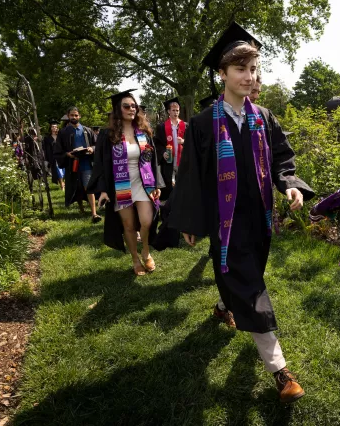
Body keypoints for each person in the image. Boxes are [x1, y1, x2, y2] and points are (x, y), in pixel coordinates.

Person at [168, 22, 314, 403]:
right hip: (225, 221)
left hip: (260, 216)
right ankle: (280, 371)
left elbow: (283, 158)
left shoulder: (263, 117)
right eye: (240, 69)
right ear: (222, 73)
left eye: (253, 69)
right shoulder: (203, 124)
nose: (249, 77)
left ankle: (221, 306)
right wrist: (191, 221)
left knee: (241, 276)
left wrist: (291, 186)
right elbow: (192, 178)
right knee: (251, 289)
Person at [90, 89, 164, 275]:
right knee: (129, 226)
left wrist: (156, 184)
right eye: (126, 106)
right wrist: (103, 190)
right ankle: (135, 259)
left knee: (147, 220)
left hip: (142, 182)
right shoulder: (108, 134)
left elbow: (152, 159)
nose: (131, 109)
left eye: (134, 106)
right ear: (118, 109)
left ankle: (145, 251)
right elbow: (99, 163)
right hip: (120, 185)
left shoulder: (144, 131)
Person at [54, 106, 101, 223]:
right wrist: (67, 154)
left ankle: (94, 213)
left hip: (86, 163)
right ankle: (81, 208)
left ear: (79, 116)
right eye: (72, 115)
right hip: (72, 164)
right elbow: (58, 150)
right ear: (68, 116)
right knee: (77, 187)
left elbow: (97, 145)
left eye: (76, 115)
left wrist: (92, 149)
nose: (74, 117)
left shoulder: (87, 130)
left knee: (88, 186)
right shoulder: (63, 132)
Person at [154, 97, 187, 201]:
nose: (176, 112)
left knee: (183, 189)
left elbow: (192, 142)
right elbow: (157, 144)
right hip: (168, 163)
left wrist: (184, 141)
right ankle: (167, 213)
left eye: (177, 110)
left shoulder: (186, 126)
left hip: (183, 163)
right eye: (173, 110)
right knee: (169, 190)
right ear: (168, 111)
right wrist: (163, 152)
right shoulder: (162, 127)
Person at [43, 120, 65, 190]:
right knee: (58, 171)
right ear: (50, 128)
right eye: (52, 127)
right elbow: (45, 149)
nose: (54, 128)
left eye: (55, 127)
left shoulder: (60, 136)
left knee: (64, 171)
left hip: (62, 156)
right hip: (54, 157)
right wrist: (47, 158)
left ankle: (64, 183)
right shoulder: (47, 138)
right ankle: (62, 185)